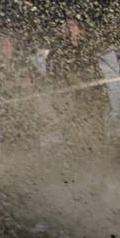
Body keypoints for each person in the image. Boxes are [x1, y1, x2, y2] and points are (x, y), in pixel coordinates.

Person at [45, 15, 112, 147]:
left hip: (91, 99)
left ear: (78, 29)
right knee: (76, 138)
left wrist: (104, 95)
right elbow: (52, 80)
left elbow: (98, 74)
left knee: (98, 134)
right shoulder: (56, 53)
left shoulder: (86, 48)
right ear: (61, 31)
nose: (70, 29)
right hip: (71, 104)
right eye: (66, 27)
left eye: (73, 25)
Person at [0, 34, 43, 153]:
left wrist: (31, 83)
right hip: (7, 123)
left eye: (6, 46)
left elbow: (42, 83)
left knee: (34, 153)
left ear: (11, 47)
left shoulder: (24, 64)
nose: (3, 50)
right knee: (12, 156)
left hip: (28, 119)